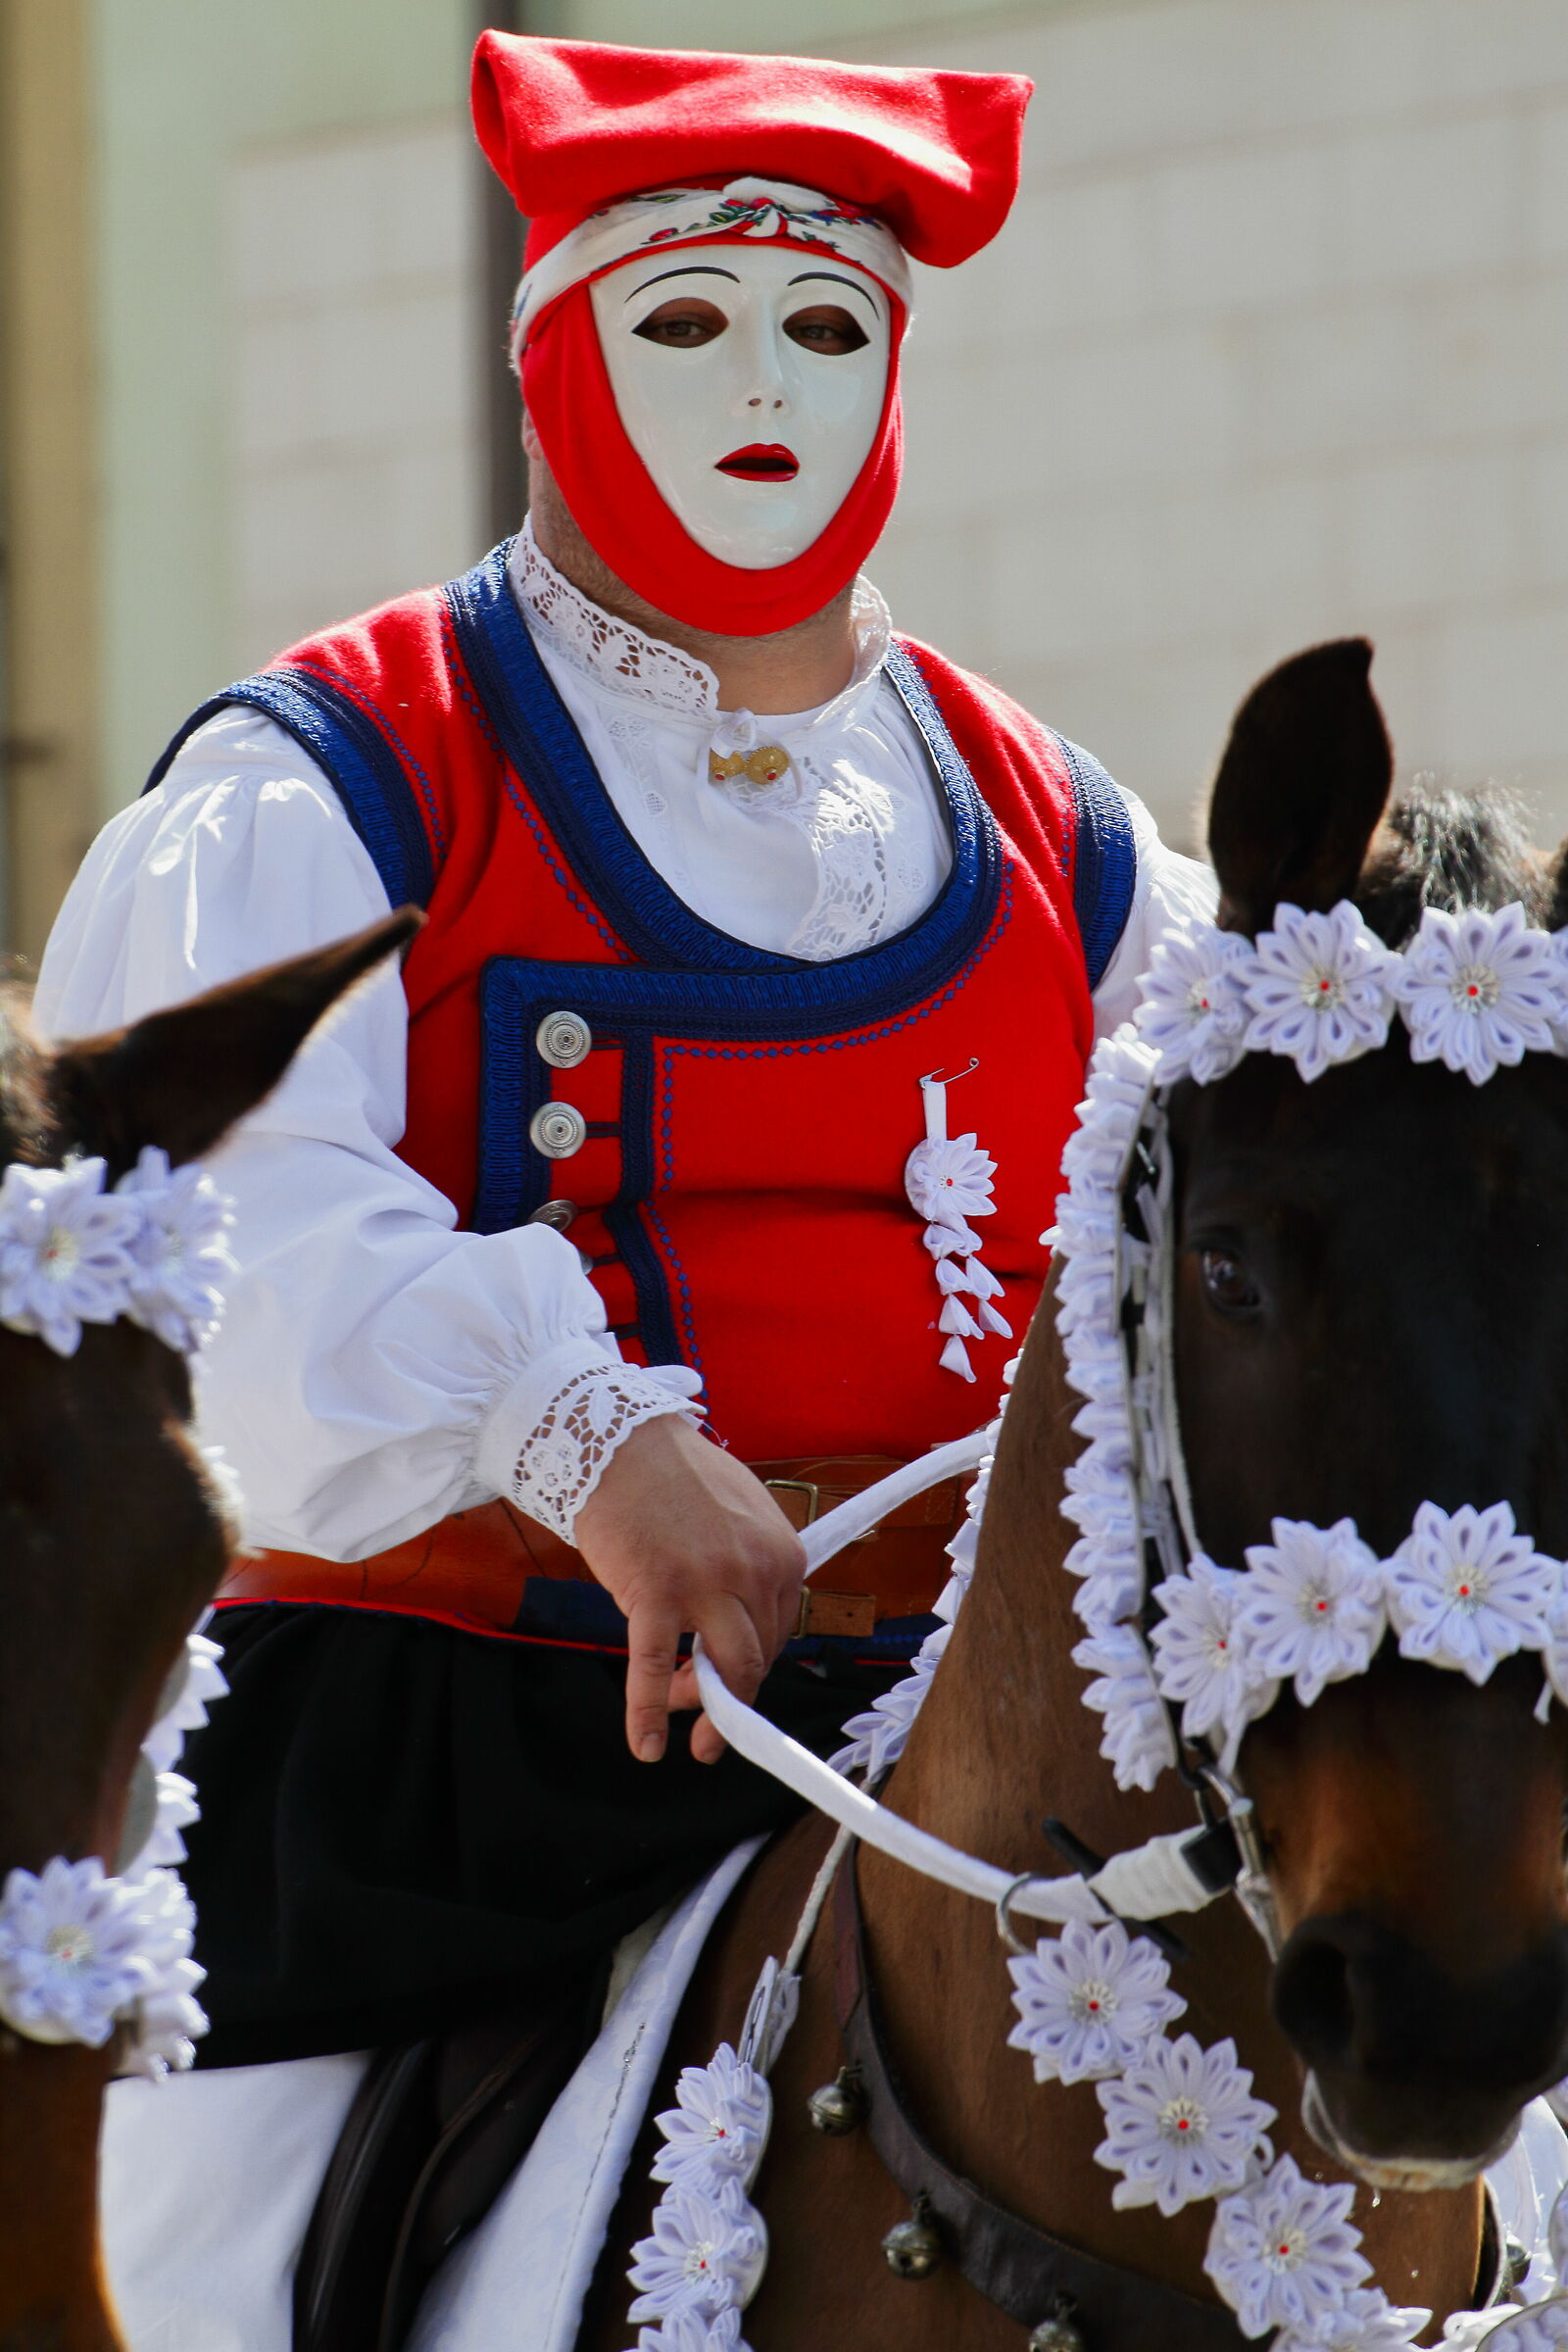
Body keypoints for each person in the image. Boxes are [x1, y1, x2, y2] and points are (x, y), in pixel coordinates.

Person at [37, 30, 1213, 2350]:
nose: (756, 382)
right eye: (680, 320)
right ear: (552, 347)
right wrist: (585, 1438)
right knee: (168, 2263)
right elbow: (198, 1252)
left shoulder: (1071, 849)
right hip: (447, 1772)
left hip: (977, 1775)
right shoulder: (343, 770)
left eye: (823, 326)